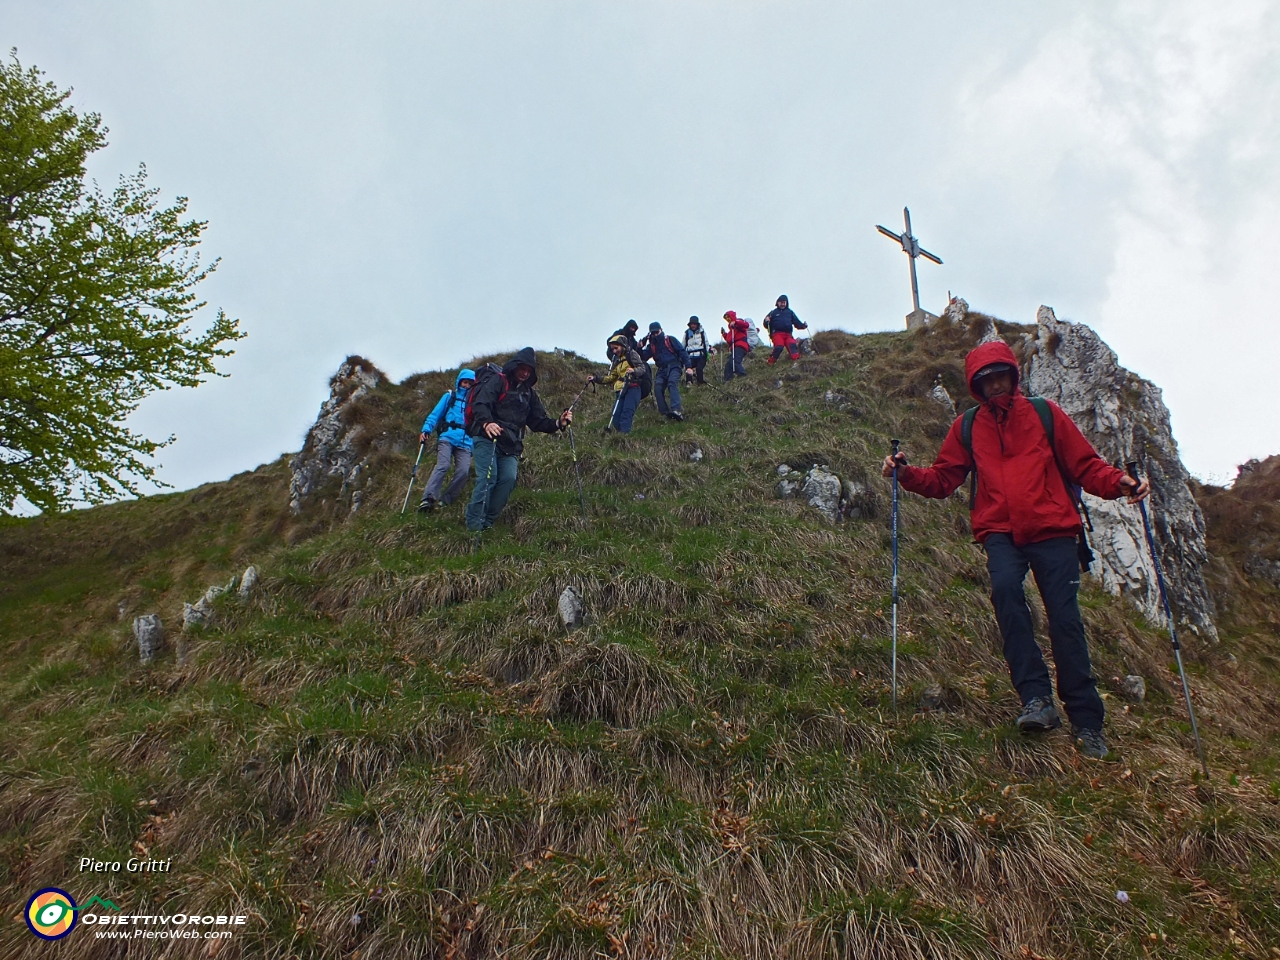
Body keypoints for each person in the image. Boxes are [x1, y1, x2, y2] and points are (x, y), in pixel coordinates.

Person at [881, 340, 1150, 761]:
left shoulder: (1046, 414)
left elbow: (1085, 465)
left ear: (1013, 374)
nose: (994, 386)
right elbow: (943, 479)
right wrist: (906, 474)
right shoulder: (968, 427)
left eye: (1000, 376)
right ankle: (1037, 700)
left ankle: (1086, 722)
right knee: (1006, 594)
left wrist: (1121, 483)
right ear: (975, 385)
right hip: (1001, 531)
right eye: (984, 381)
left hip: (1054, 529)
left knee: (1065, 621)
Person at [464, 348, 573, 532]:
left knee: (508, 479)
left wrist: (558, 423)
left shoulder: (529, 393)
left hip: (511, 444)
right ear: (514, 366)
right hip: (487, 437)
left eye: (529, 371)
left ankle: (488, 523)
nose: (525, 373)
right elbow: (480, 403)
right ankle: (474, 525)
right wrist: (487, 423)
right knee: (488, 478)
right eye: (522, 369)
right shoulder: (499, 381)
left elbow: (537, 421)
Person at [417, 369, 475, 511]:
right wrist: (426, 430)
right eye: (464, 382)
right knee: (443, 465)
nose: (466, 386)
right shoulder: (450, 396)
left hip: (466, 442)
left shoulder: (475, 403)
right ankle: (428, 498)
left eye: (470, 383)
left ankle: (446, 500)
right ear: (459, 382)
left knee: (463, 471)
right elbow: (435, 414)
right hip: (447, 437)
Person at [641, 322, 692, 421]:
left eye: (657, 332)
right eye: (653, 333)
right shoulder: (651, 345)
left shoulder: (670, 339)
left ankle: (676, 410)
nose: (656, 335)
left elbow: (682, 352)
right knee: (657, 388)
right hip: (661, 369)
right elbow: (643, 357)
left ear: (661, 330)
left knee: (672, 383)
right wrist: (640, 346)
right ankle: (664, 413)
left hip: (674, 366)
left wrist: (688, 367)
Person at [595, 334, 645, 433]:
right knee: (616, 416)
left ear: (622, 345)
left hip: (632, 388)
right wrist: (595, 379)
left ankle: (623, 438)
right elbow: (612, 377)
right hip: (620, 389)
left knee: (627, 413)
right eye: (612, 349)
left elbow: (642, 368)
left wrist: (633, 371)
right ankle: (621, 435)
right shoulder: (617, 360)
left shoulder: (632, 354)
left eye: (616, 348)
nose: (614, 351)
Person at [763, 294, 808, 365]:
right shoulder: (773, 312)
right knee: (779, 346)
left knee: (792, 345)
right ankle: (771, 362)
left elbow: (797, 322)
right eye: (781, 302)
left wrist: (803, 326)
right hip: (777, 333)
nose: (783, 304)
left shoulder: (790, 312)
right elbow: (766, 324)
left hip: (788, 334)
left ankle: (797, 361)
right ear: (777, 303)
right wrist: (766, 321)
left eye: (784, 302)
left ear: (786, 303)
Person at [721, 310, 751, 381]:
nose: (728, 319)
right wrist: (724, 334)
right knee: (728, 365)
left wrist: (736, 322)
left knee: (734, 362)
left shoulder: (738, 323)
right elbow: (729, 340)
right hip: (735, 347)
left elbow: (746, 325)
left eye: (728, 317)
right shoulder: (731, 330)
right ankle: (727, 380)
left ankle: (742, 375)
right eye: (726, 318)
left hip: (741, 346)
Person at [683, 316, 711, 385]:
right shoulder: (686, 333)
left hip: (701, 355)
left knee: (699, 369)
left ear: (697, 324)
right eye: (691, 324)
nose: (693, 325)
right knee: (688, 368)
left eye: (694, 324)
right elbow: (683, 344)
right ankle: (689, 383)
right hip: (690, 355)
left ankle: (700, 383)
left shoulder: (702, 332)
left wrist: (708, 352)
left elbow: (706, 343)